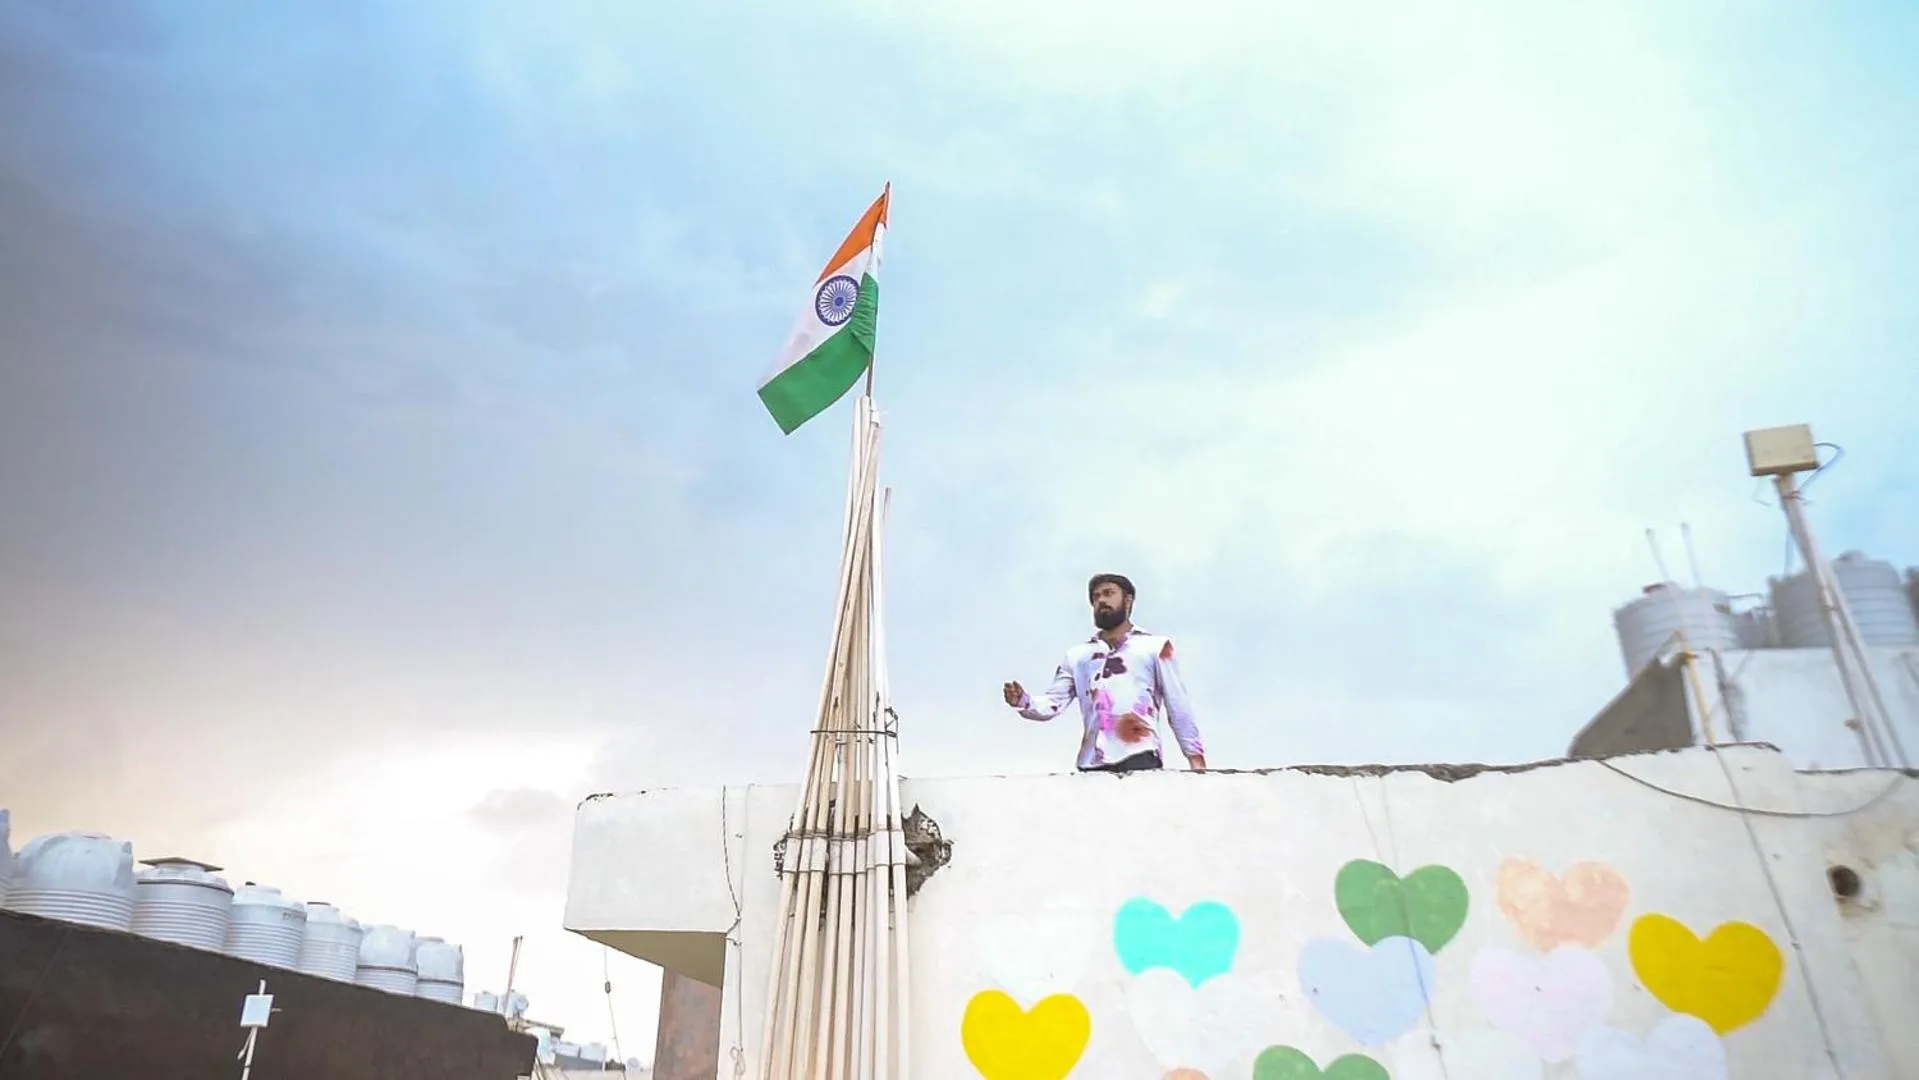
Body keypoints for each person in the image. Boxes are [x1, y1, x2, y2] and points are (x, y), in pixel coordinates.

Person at [1001, 573, 1207, 773]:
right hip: (1091, 763)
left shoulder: (1154, 646)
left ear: (1128, 601)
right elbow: (1053, 703)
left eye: (1109, 593)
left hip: (1138, 755)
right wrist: (1023, 701)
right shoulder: (1078, 656)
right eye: (1096, 597)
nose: (1101, 600)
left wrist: (1195, 759)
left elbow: (1177, 704)